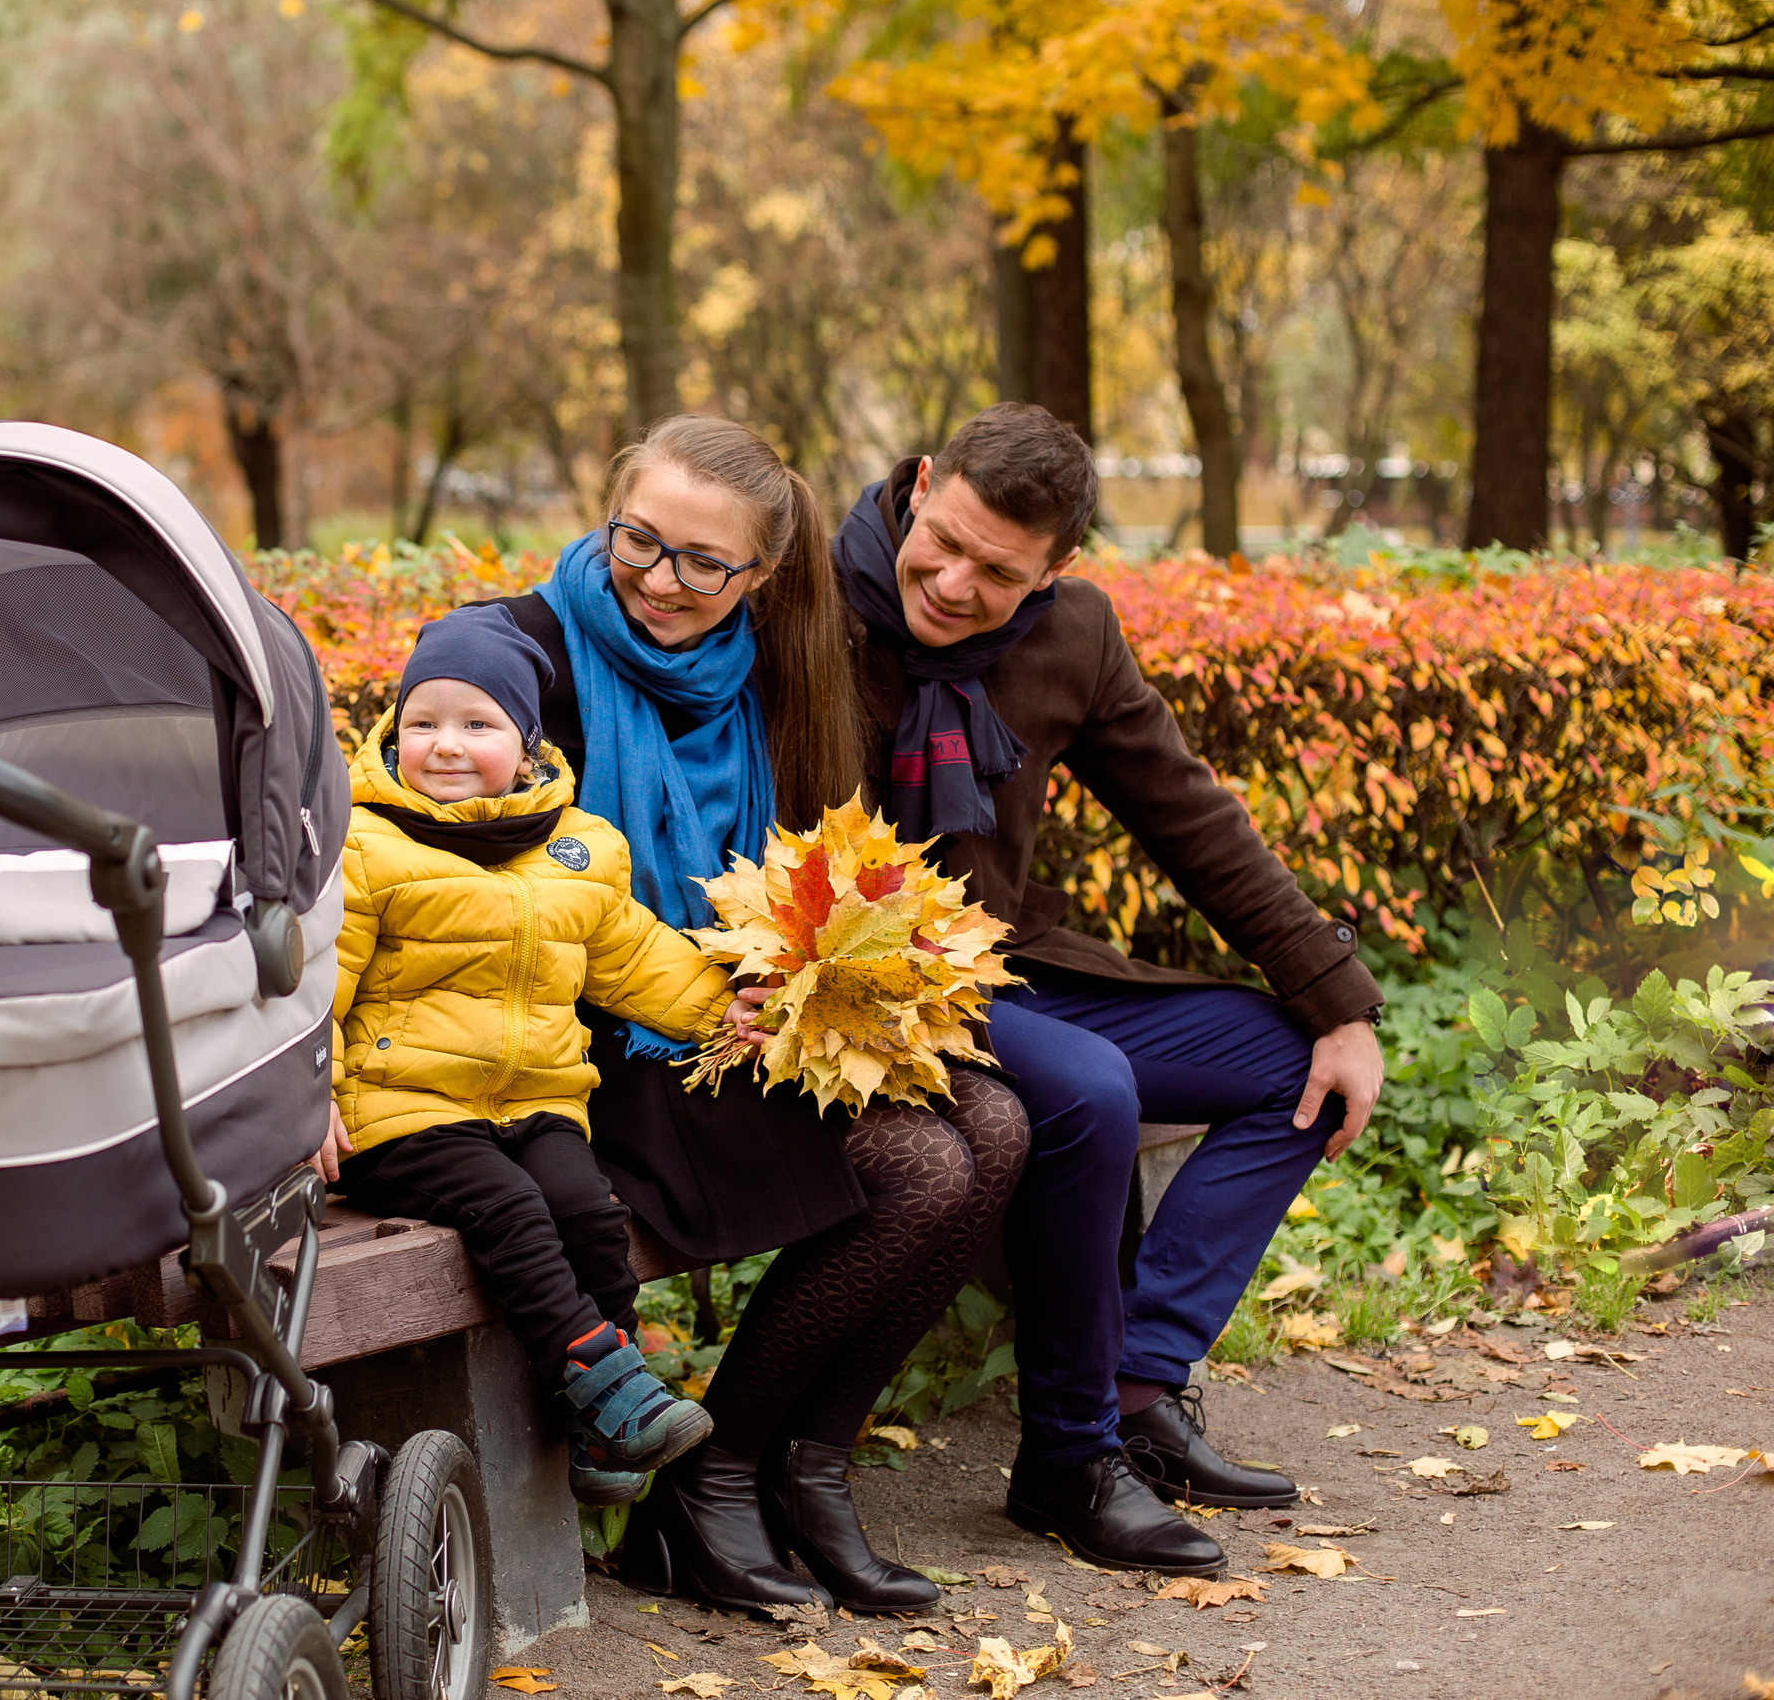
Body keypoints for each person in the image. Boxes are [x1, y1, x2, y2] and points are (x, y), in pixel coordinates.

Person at [832, 402, 1388, 1575]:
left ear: (1057, 569)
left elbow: (1192, 820)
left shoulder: (1070, 635)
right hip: (855, 986)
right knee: (1089, 1087)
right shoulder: (807, 611)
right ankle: (1066, 1462)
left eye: (999, 572)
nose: (952, 583)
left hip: (1008, 968)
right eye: (945, 540)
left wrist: (1339, 1003)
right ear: (922, 482)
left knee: (1297, 1066)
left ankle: (1136, 1387)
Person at [494, 415, 1032, 1617]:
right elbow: (475, 787)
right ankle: (714, 1475)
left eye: (702, 561)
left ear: (760, 575)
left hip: (727, 1030)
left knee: (992, 1128)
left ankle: (808, 1467)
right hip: (595, 1056)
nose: (659, 580)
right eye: (639, 539)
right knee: (921, 1173)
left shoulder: (766, 674)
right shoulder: (527, 651)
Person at [310, 607, 765, 1507]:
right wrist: (303, 1090)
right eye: (422, 723)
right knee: (511, 1208)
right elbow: (318, 980)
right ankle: (616, 1385)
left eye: (477, 724)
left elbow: (634, 958)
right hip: (406, 1111)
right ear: (392, 732)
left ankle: (605, 1432)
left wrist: (728, 1013)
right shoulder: (365, 844)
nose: (444, 744)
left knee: (588, 1212)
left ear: (526, 746)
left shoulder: (577, 848)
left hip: (536, 1101)